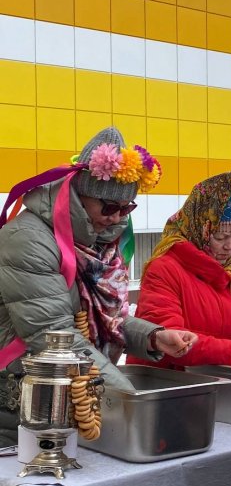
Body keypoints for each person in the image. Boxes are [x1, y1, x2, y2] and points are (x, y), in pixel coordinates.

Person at [0, 127, 198, 447]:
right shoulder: (28, 240)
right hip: (18, 410)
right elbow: (55, 337)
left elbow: (102, 316)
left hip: (72, 396)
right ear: (79, 195)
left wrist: (152, 336)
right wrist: (129, 399)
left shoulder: (98, 241)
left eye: (127, 208)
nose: (117, 217)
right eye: (108, 207)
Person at [126, 172, 231, 370]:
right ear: (199, 229)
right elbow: (171, 338)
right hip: (170, 386)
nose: (230, 246)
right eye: (220, 237)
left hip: (222, 384)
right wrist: (230, 353)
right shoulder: (164, 269)